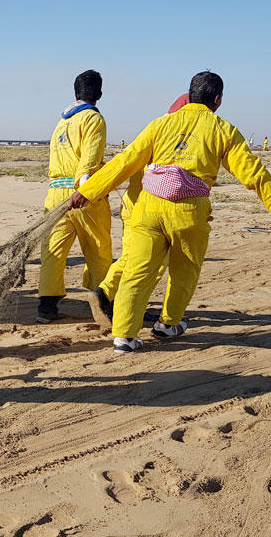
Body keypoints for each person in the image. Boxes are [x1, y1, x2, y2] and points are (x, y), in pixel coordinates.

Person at [69, 71, 271, 354]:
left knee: (137, 271)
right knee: (184, 270)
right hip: (189, 212)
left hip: (149, 208)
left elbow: (126, 161)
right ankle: (168, 324)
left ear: (190, 95)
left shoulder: (160, 124)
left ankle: (124, 337)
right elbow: (254, 174)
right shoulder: (224, 130)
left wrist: (88, 191)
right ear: (217, 100)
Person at [91, 94, 189, 324]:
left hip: (134, 206)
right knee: (149, 263)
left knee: (132, 257)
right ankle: (108, 296)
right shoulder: (176, 138)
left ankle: (117, 300)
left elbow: (125, 162)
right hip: (149, 210)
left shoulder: (154, 130)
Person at [37, 70, 111, 323]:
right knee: (98, 248)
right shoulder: (93, 119)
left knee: (53, 249)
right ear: (99, 93)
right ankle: (102, 300)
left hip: (55, 193)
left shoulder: (61, 122)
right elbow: (89, 159)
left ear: (75, 93)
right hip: (82, 194)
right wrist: (85, 190)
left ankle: (46, 306)